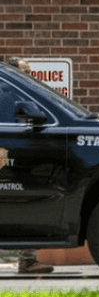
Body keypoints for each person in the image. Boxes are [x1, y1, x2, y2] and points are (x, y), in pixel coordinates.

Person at [5, 57, 54, 274]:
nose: (29, 75)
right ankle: (27, 259)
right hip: (12, 156)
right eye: (25, 71)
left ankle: (27, 258)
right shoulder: (10, 94)